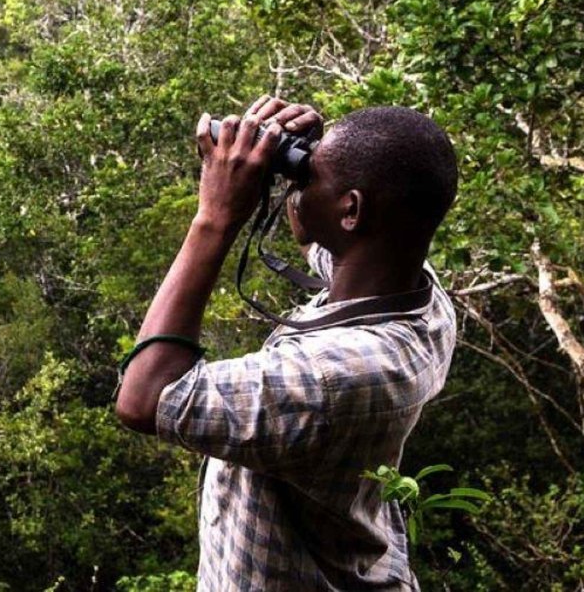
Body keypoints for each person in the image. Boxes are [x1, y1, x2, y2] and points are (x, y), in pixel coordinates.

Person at [114, 95, 459, 590]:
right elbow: (343, 244)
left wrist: (215, 216)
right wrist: (320, 161)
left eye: (308, 178)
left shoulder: (336, 374)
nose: (298, 184)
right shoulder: (419, 301)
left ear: (352, 210)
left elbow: (144, 398)